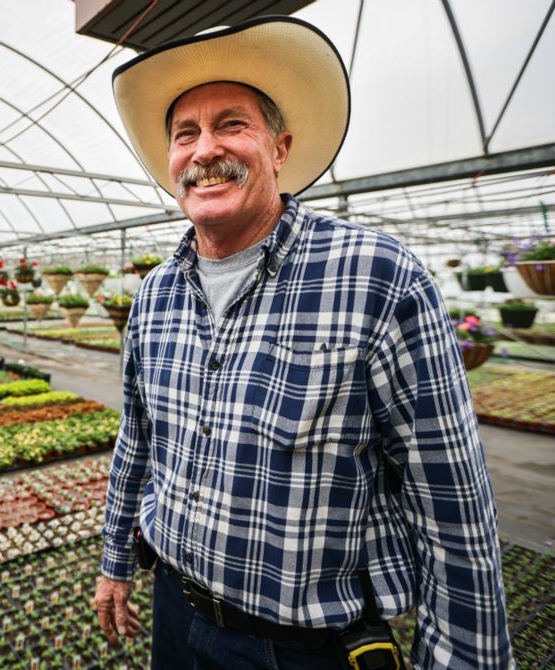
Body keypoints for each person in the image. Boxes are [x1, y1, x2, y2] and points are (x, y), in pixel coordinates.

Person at [92, 16, 512, 670]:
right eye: (185, 134)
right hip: (176, 615)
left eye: (231, 124)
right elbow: (137, 442)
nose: (204, 150)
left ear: (280, 148)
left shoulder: (377, 277)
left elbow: (452, 507)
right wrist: (116, 561)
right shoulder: (153, 296)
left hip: (300, 650)